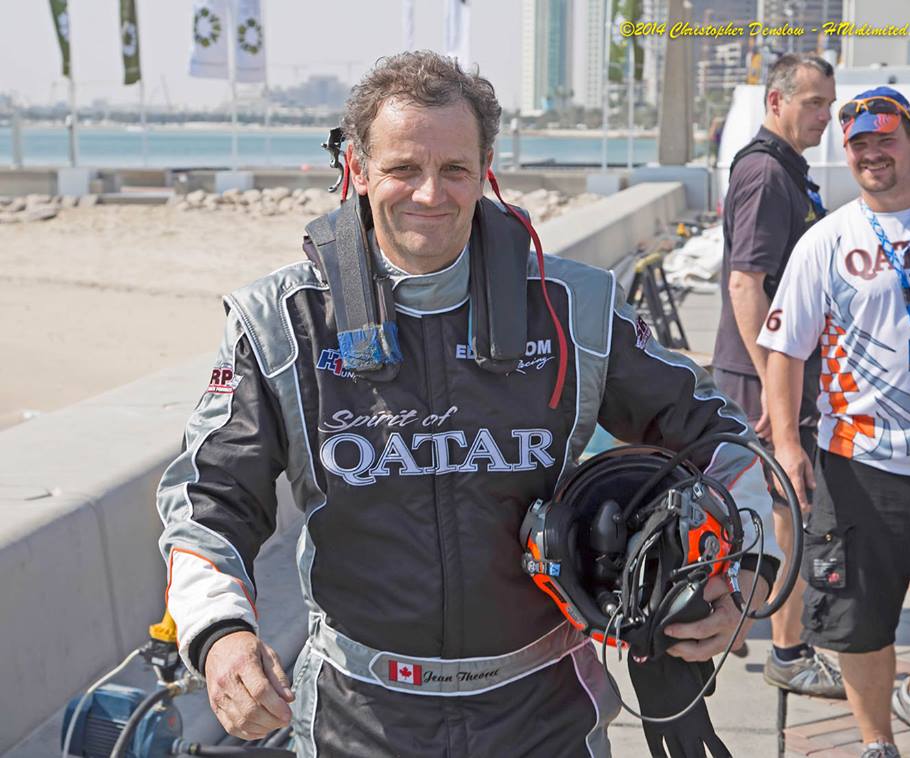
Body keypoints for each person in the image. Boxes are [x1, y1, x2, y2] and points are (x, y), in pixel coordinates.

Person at [157, 51, 779, 757]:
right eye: (403, 168)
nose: (430, 194)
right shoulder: (281, 322)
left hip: (546, 712)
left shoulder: (575, 308)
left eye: (454, 169)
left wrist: (747, 574)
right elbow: (207, 500)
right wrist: (220, 634)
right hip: (358, 714)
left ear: (487, 169)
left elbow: (724, 439)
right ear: (357, 169)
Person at [760, 86, 910, 758]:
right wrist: (787, 445)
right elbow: (784, 349)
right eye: (860, 145)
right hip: (861, 465)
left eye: (885, 139)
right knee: (860, 625)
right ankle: (877, 742)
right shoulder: (826, 240)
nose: (873, 153)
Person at [711, 52, 845, 698]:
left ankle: (732, 623)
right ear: (776, 102)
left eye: (829, 105)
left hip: (774, 371)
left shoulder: (785, 169)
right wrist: (773, 385)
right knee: (793, 507)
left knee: (763, 508)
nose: (825, 117)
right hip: (762, 373)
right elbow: (746, 284)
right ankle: (788, 652)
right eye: (813, 103)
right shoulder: (767, 173)